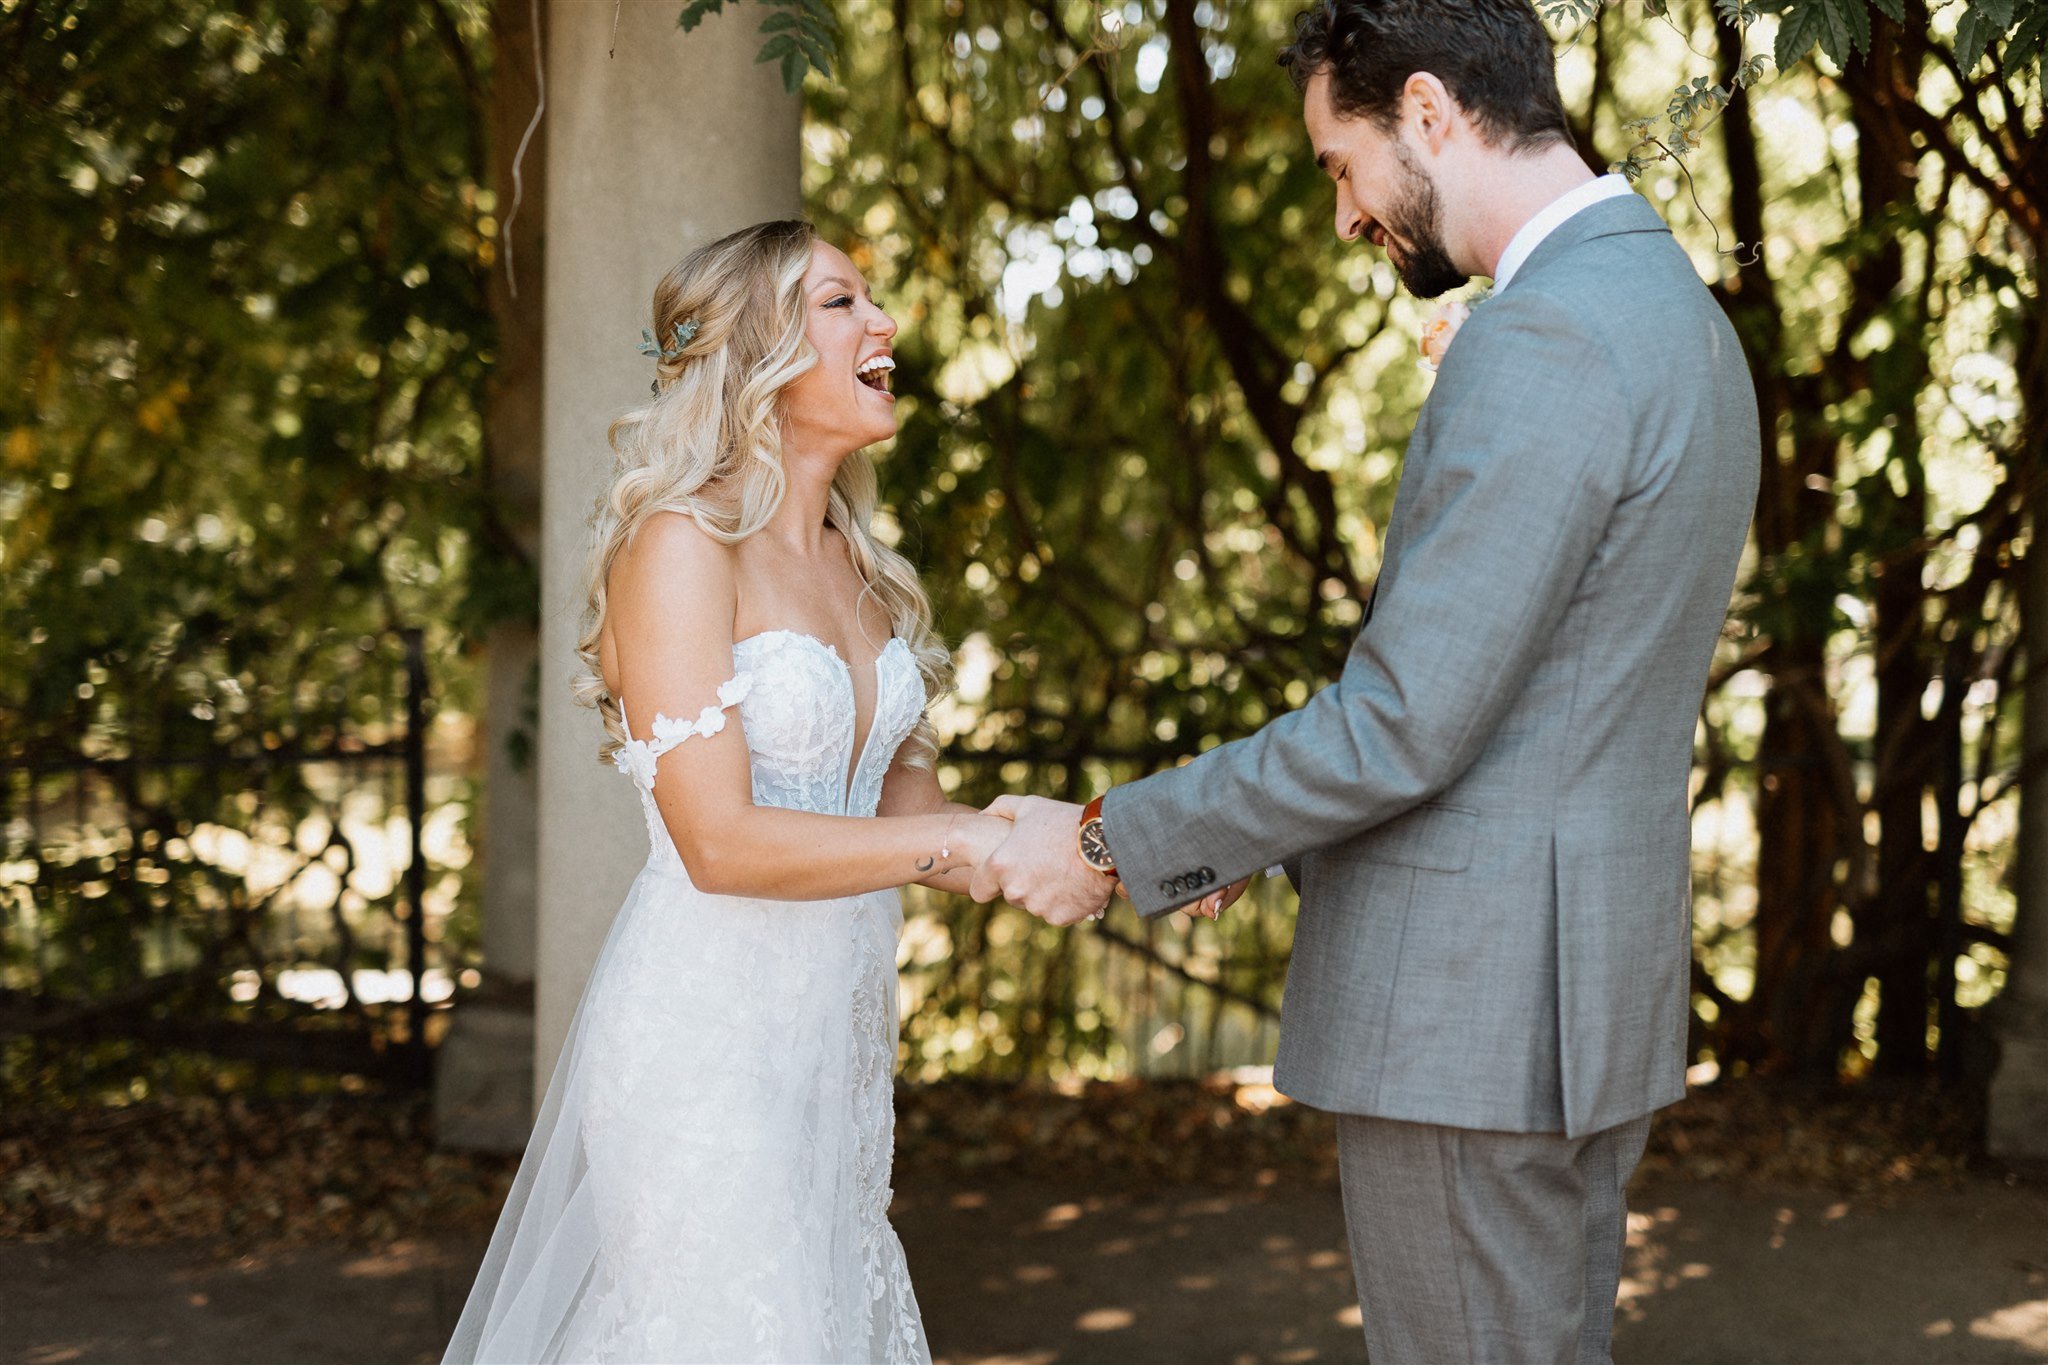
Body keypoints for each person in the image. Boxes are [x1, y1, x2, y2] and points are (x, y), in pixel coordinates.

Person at [973, 2, 1760, 1361]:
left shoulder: (1550, 338)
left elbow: (1406, 725)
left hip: (1473, 1014)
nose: (1345, 214)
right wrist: (1252, 837)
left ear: (1431, 112)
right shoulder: (1674, 313)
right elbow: (1544, 704)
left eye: (1341, 163)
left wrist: (1120, 838)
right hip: (1573, 1000)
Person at [445, 218, 1012, 1365]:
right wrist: (963, 838)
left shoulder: (863, 570)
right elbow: (718, 840)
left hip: (838, 1052)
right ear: (757, 351)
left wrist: (1097, 845)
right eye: (842, 302)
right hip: (703, 1050)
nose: (882, 323)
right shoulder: (677, 547)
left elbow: (915, 824)